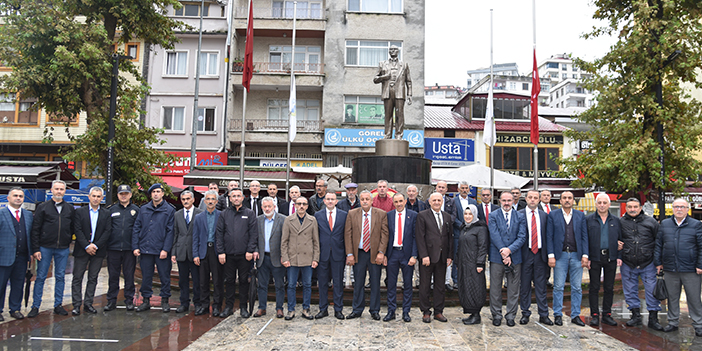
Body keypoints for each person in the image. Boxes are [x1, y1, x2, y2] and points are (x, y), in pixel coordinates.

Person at [655, 198, 702, 336]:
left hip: (691, 269)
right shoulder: (665, 224)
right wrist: (658, 262)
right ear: (673, 208)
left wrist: (700, 264)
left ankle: (698, 323)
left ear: (687, 209)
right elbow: (658, 244)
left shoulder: (696, 224)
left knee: (693, 298)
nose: (679, 209)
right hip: (670, 268)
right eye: (676, 207)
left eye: (682, 207)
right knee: (672, 297)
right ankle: (673, 322)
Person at [28, 180, 75, 318]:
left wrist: (68, 240)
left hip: (62, 248)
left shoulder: (70, 209)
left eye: (61, 189)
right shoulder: (43, 207)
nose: (59, 191)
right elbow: (35, 229)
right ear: (52, 190)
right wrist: (36, 249)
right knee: (41, 276)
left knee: (60, 277)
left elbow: (72, 227)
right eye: (57, 189)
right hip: (45, 248)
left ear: (65, 191)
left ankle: (58, 305)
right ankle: (35, 305)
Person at [618, 197, 663, 330]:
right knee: (630, 290)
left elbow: (659, 242)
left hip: (648, 262)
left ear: (640, 207)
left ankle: (653, 318)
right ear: (626, 208)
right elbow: (616, 240)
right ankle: (635, 316)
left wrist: (659, 261)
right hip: (628, 262)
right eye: (630, 207)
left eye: (635, 207)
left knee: (651, 291)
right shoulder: (620, 222)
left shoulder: (651, 222)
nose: (633, 209)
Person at [344, 190, 389, 320]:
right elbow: (348, 234)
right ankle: (357, 309)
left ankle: (374, 310)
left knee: (375, 282)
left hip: (375, 253)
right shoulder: (352, 214)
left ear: (371, 201)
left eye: (367, 199)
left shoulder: (381, 214)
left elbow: (385, 234)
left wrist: (381, 252)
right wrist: (350, 253)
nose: (364, 201)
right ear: (360, 201)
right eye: (362, 199)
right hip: (359, 253)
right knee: (358, 283)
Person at [132, 183, 176, 313]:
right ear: (150, 194)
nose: (156, 194)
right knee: (146, 276)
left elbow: (171, 232)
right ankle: (145, 301)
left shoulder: (169, 210)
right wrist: (135, 246)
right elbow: (136, 228)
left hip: (161, 250)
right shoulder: (144, 209)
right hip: (145, 249)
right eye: (153, 192)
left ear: (162, 193)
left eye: (158, 191)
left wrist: (166, 249)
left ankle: (165, 301)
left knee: (164, 277)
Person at [547, 191, 589, 326]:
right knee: (558, 287)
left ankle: (576, 315)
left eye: (569, 198)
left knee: (577, 287)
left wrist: (585, 255)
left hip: (577, 255)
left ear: (573, 201)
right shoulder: (553, 215)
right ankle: (558, 314)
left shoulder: (580, 215)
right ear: (560, 201)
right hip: (560, 256)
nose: (567, 200)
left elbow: (584, 237)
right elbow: (549, 236)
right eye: (564, 198)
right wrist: (551, 255)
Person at [216, 188, 258, 318]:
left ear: (242, 198)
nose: (236, 198)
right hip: (228, 255)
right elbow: (219, 234)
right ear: (230, 198)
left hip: (244, 255)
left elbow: (253, 234)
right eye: (233, 196)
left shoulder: (250, 213)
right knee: (229, 281)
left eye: (238, 196)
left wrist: (250, 250)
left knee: (244, 281)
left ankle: (243, 307)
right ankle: (228, 306)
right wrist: (221, 252)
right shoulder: (224, 214)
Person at [488, 191, 527, 327]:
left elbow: (522, 236)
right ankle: (496, 315)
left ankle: (511, 315)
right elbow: (494, 235)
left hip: (515, 257)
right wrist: (504, 253)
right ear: (499, 201)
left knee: (513, 288)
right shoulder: (493, 216)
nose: (506, 203)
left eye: (509, 200)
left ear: (513, 201)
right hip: (496, 257)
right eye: (504, 200)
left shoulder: (520, 216)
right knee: (495, 288)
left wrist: (509, 250)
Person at [71, 187, 111, 315]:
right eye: (94, 196)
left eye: (98, 196)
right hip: (82, 250)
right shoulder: (79, 212)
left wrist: (96, 245)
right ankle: (76, 305)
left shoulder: (106, 213)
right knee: (77, 277)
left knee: (93, 278)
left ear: (102, 198)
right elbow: (77, 230)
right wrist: (87, 246)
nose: (96, 198)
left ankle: (88, 303)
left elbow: (107, 231)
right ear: (89, 197)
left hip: (98, 251)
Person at [416, 192, 453, 323]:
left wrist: (449, 256)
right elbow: (420, 237)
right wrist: (423, 255)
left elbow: (449, 238)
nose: (437, 202)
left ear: (442, 201)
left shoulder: (447, 216)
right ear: (429, 202)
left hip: (442, 258)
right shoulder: (422, 215)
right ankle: (426, 311)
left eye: (439, 200)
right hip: (427, 257)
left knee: (440, 286)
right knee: (425, 286)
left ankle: (438, 311)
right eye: (434, 200)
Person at [281, 197, 319, 320]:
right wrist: (285, 257)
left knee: (307, 285)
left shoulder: (312, 220)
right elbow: (284, 241)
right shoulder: (288, 220)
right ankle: (291, 310)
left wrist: (315, 258)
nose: (301, 206)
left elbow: (316, 241)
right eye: (299, 204)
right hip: (293, 258)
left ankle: (306, 309)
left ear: (307, 206)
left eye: (304, 204)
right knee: (291, 285)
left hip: (308, 258)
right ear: (295, 205)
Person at [585, 193, 620, 326]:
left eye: (605, 203)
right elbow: (585, 239)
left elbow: (621, 240)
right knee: (594, 287)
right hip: (594, 257)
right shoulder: (588, 220)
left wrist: (619, 257)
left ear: (609, 204)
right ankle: (594, 314)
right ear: (596, 204)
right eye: (599, 202)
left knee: (609, 287)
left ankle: (607, 314)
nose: (602, 205)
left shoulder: (616, 221)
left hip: (610, 257)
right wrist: (586, 256)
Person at [518, 190, 552, 325]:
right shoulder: (519, 214)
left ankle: (543, 314)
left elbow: (548, 236)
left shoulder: (545, 216)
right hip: (525, 254)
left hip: (540, 255)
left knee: (541, 286)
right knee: (525, 286)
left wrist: (550, 255)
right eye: (530, 197)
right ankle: (525, 313)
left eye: (535, 198)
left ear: (539, 200)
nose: (533, 200)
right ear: (526, 199)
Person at [0, 187, 33, 320]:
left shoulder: (28, 215)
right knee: (1, 284)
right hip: (4, 256)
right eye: (15, 196)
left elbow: (31, 234)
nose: (18, 198)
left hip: (22, 256)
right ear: (8, 198)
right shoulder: (1, 214)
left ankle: (15, 309)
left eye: (20, 196)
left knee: (18, 284)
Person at [383, 193, 417, 323]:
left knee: (407, 284)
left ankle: (406, 311)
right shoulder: (389, 216)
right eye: (396, 202)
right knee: (391, 284)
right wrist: (385, 254)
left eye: (401, 201)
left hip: (407, 254)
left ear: (405, 201)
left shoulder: (413, 215)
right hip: (392, 254)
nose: (398, 204)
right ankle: (391, 311)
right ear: (393, 203)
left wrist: (414, 255)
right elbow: (385, 236)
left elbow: (415, 237)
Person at [105, 185, 139, 312]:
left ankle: (129, 300)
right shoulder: (111, 210)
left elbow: (138, 229)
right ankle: (111, 301)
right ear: (118, 195)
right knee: (113, 276)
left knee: (129, 276)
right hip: (113, 248)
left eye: (126, 193)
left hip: (129, 249)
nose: (123, 196)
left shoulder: (136, 210)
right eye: (121, 194)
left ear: (130, 195)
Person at [314, 192, 347, 320]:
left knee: (338, 283)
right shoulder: (317, 215)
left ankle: (338, 309)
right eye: (328, 199)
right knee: (322, 283)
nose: (330, 201)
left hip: (338, 254)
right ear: (324, 201)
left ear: (337, 201)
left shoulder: (344, 215)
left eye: (332, 199)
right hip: (323, 254)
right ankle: (323, 309)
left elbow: (346, 234)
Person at [253, 197, 287, 319]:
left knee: (279, 285)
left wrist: (285, 255)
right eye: (265, 207)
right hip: (262, 257)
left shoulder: (283, 219)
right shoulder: (257, 220)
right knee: (262, 285)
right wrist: (255, 251)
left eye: (269, 206)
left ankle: (279, 308)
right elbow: (254, 239)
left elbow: (285, 239)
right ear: (262, 207)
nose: (267, 209)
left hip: (278, 258)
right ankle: (262, 307)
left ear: (274, 207)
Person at [192, 190, 224, 317]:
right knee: (203, 281)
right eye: (208, 199)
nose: (210, 201)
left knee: (217, 280)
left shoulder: (221, 216)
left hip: (216, 251)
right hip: (203, 251)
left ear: (216, 201)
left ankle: (217, 306)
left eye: (213, 199)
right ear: (204, 201)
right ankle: (204, 306)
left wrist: (222, 252)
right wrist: (195, 254)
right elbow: (195, 237)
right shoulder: (199, 217)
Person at [171, 190, 203, 313]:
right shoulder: (177, 215)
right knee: (182, 280)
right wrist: (173, 252)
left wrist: (199, 253)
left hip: (194, 253)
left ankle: (197, 303)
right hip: (181, 252)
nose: (185, 201)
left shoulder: (200, 213)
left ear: (193, 200)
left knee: (196, 280)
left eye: (188, 199)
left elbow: (201, 234)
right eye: (183, 199)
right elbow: (175, 234)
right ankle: (184, 303)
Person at [456, 205, 487, 325]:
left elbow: (483, 247)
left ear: (475, 215)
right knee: (466, 288)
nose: (467, 217)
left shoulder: (480, 228)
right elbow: (460, 247)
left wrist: (480, 263)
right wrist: (458, 262)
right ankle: (471, 313)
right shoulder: (464, 228)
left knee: (476, 288)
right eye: (465, 214)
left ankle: (476, 315)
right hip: (464, 264)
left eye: (470, 214)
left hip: (474, 264)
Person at [373, 44, 412, 139]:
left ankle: (399, 135)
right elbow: (375, 79)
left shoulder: (404, 65)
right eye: (391, 49)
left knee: (399, 114)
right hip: (388, 92)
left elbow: (409, 81)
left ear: (398, 51)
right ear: (389, 52)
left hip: (399, 92)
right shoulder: (382, 64)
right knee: (388, 114)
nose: (393, 51)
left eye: (395, 49)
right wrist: (384, 77)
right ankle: (387, 134)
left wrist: (409, 94)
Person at [450, 181, 478, 290]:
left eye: (466, 188)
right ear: (458, 189)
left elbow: (476, 215)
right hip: (458, 232)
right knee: (457, 257)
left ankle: (468, 279)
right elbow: (453, 216)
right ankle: (456, 280)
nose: (465, 190)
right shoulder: (453, 201)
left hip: (471, 233)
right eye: (462, 188)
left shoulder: (473, 202)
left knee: (469, 257)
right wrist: (462, 225)